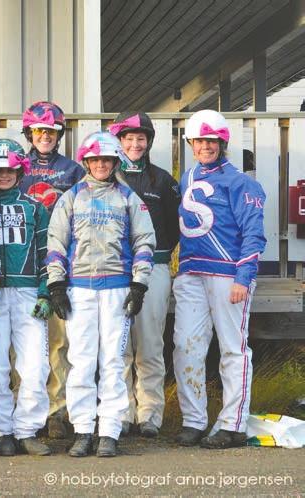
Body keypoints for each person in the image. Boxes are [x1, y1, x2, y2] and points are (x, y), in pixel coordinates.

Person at [46, 131, 155, 458]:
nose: (101, 165)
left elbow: (144, 242)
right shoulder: (71, 197)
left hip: (118, 289)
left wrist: (139, 283)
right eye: (95, 160)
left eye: (107, 160)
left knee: (112, 361)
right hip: (79, 289)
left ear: (114, 162)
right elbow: (56, 242)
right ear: (87, 162)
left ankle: (108, 431)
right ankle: (82, 430)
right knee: (80, 361)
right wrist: (56, 284)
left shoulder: (128, 198)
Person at [173, 109, 266, 449]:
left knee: (233, 350)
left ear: (222, 142)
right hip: (191, 274)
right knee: (185, 347)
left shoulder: (242, 183)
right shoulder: (188, 177)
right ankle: (193, 421)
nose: (205, 146)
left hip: (229, 276)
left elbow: (254, 234)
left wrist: (244, 277)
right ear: (192, 143)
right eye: (199, 140)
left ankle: (232, 425)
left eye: (212, 140)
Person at [108, 112, 181, 438]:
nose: (135, 144)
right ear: (119, 141)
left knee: (150, 344)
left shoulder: (163, 181)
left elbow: (174, 228)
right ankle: (121, 412)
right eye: (128, 138)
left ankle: (149, 414)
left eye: (141, 139)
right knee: (119, 346)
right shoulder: (106, 175)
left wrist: (155, 254)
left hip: (154, 268)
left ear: (149, 141)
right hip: (115, 271)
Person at [0, 139, 52, 457]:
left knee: (35, 365)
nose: (3, 175)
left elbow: (48, 252)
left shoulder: (35, 207)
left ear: (20, 170)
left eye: (9, 169)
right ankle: (1, 431)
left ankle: (27, 429)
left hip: (27, 291)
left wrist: (47, 290)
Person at [18, 100, 85, 439]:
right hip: (21, 266)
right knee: (24, 343)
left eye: (51, 131)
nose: (44, 136)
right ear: (29, 133)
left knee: (58, 342)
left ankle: (56, 411)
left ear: (59, 134)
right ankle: (23, 408)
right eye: (38, 131)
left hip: (59, 264)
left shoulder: (74, 171)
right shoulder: (15, 166)